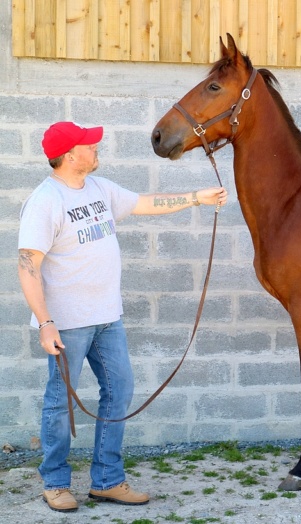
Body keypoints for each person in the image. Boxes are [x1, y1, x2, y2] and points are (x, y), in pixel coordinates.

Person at [17, 121, 228, 513]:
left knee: (120, 392)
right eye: (89, 145)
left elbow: (144, 203)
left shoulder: (99, 188)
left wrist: (197, 197)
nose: (97, 148)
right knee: (60, 403)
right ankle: (56, 483)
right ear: (69, 155)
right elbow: (28, 265)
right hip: (67, 323)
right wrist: (45, 322)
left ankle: (107, 481)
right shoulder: (45, 201)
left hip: (107, 318)